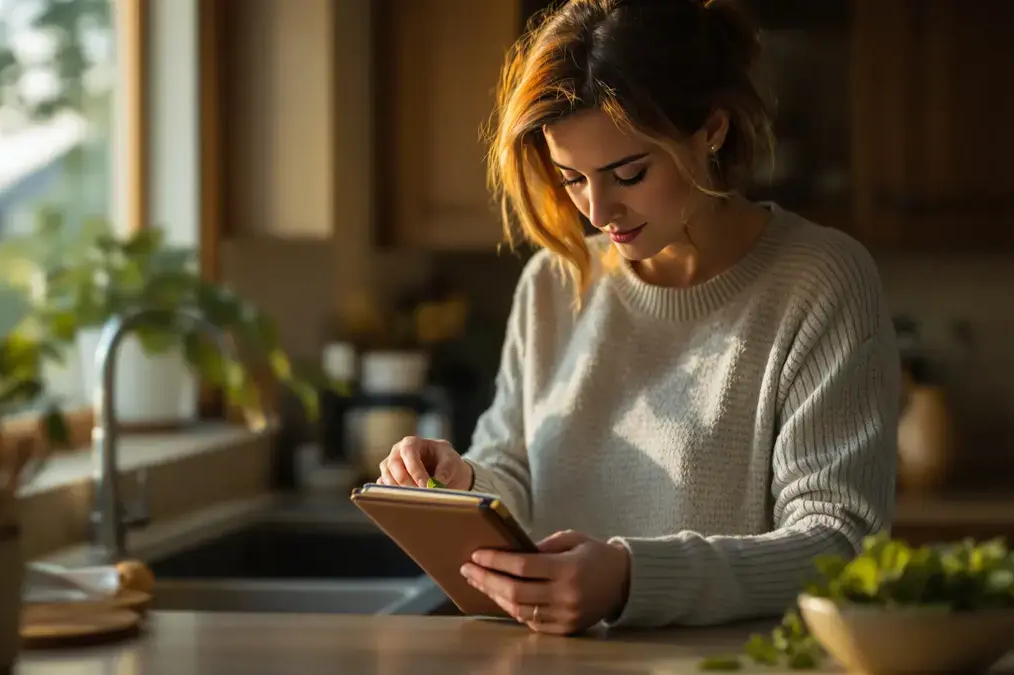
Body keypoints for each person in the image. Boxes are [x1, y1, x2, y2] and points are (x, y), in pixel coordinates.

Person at [377, 0, 900, 635]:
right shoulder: (553, 282)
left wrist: (631, 578)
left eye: (628, 172)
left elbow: (838, 543)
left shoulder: (820, 280)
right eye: (571, 178)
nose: (598, 211)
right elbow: (511, 468)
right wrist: (459, 483)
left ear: (711, 130)